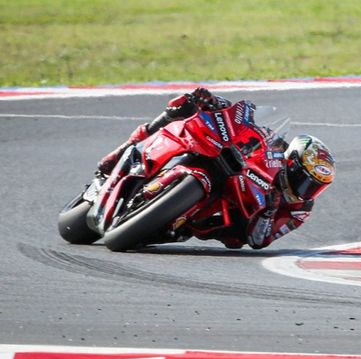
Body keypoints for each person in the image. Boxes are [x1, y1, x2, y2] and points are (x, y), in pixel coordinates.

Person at [95, 87, 334, 249]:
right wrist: (214, 103)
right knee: (182, 110)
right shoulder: (275, 145)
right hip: (231, 168)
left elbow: (260, 241)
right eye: (304, 180)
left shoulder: (299, 210)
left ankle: (171, 219)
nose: (306, 190)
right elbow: (243, 122)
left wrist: (269, 211)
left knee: (224, 235)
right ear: (292, 162)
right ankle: (124, 151)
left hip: (234, 216)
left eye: (314, 187)